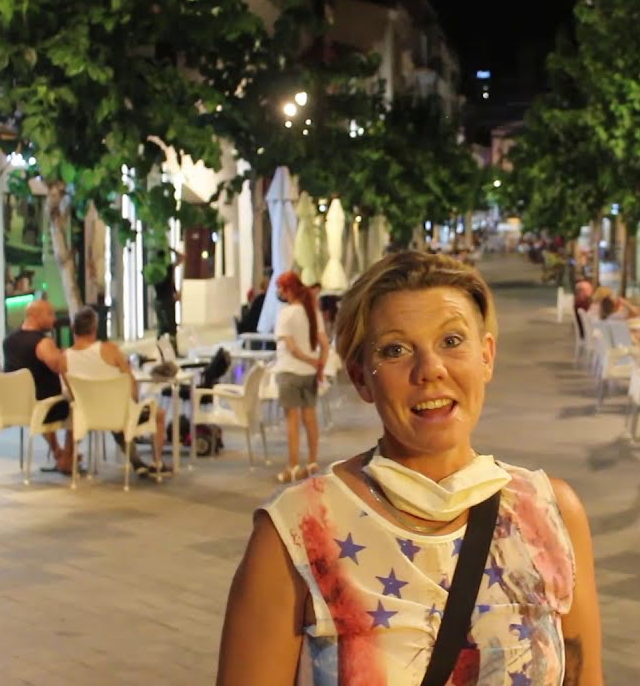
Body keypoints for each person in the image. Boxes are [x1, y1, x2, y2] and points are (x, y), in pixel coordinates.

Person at [218, 251, 603, 686]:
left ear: (487, 356)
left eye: (452, 341)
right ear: (362, 377)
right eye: (396, 349)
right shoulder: (296, 534)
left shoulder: (549, 514)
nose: (431, 370)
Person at [63, 306, 171, 477]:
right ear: (94, 328)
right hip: (118, 413)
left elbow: (71, 391)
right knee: (158, 414)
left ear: (73, 329)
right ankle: (157, 462)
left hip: (86, 415)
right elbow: (131, 381)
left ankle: (137, 462)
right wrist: (134, 403)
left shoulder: (64, 357)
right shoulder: (109, 349)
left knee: (114, 411)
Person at [2, 299, 77, 474]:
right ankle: (67, 458)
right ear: (35, 316)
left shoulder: (8, 341)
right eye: (49, 314)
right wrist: (61, 356)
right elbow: (58, 366)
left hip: (17, 407)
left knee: (44, 400)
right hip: (44, 409)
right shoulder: (42, 343)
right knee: (77, 406)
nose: (54, 319)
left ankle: (58, 452)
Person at [272, 271, 330, 483]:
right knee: (310, 418)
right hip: (309, 375)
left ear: (288, 290)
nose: (279, 293)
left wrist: (310, 360)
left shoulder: (285, 314)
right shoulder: (312, 312)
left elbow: (291, 348)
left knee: (292, 422)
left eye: (281, 288)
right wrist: (319, 365)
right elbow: (325, 344)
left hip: (289, 372)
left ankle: (293, 466)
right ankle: (312, 462)